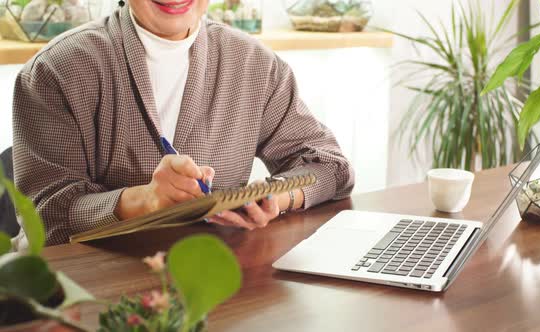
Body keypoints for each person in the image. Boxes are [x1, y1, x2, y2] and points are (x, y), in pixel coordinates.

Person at [12, 0, 354, 247]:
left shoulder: (256, 65)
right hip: (82, 288)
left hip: (206, 275)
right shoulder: (56, 69)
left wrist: (274, 198)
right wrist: (145, 200)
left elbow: (332, 167)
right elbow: (44, 216)